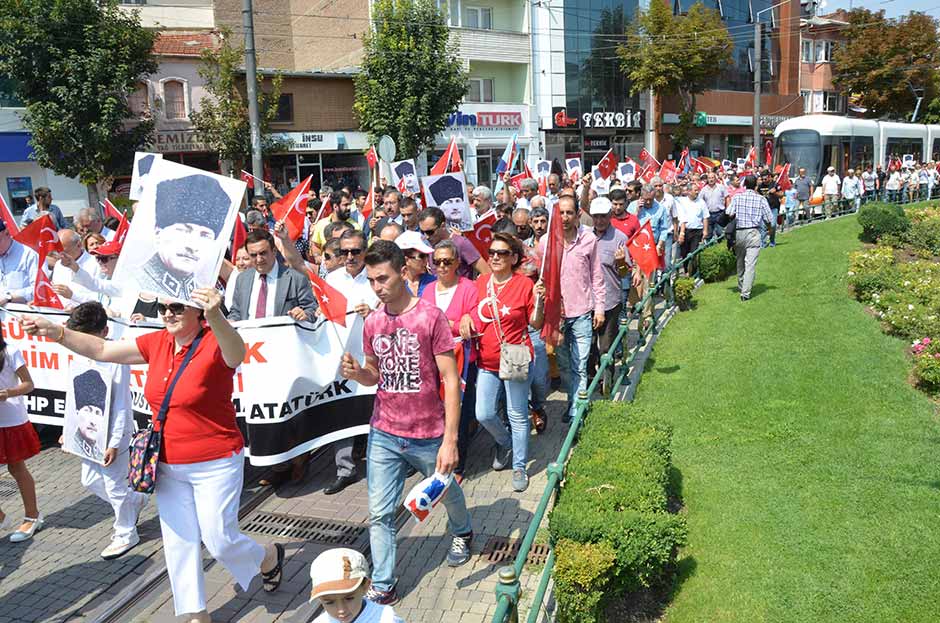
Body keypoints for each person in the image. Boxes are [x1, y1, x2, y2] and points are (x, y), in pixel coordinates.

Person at [23, 288, 286, 622]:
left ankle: (267, 556)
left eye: (176, 307)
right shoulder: (157, 341)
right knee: (179, 542)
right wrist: (56, 332)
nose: (167, 313)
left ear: (197, 311)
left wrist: (217, 314)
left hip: (216, 460)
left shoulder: (214, 340)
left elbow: (237, 352)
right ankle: (195, 613)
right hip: (166, 461)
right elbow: (103, 348)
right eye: (162, 307)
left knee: (219, 539)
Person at [340, 240, 474, 606]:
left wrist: (450, 440)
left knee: (444, 491)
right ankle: (384, 582)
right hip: (384, 431)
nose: (377, 287)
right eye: (371, 280)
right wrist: (358, 373)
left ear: (403, 272)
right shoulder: (373, 321)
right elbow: (373, 375)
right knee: (380, 513)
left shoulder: (430, 317)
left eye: (382, 278)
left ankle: (463, 530)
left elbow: (450, 379)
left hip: (428, 433)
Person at [62, 302, 148, 559]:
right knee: (89, 480)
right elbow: (73, 395)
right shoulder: (79, 355)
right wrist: (69, 429)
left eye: (87, 336)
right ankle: (134, 502)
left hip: (113, 433)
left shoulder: (116, 356)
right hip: (89, 432)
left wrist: (113, 441)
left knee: (114, 486)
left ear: (103, 332)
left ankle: (125, 533)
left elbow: (123, 403)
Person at [470, 233, 545, 492]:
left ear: (513, 258)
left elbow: (535, 323)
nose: (495, 257)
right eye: (492, 252)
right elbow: (469, 313)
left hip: (515, 354)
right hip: (487, 359)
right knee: (484, 413)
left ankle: (520, 466)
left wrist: (540, 302)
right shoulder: (480, 282)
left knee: (517, 414)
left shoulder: (524, 284)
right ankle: (506, 441)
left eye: (502, 253)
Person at [323, 230, 379, 496]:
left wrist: (374, 314)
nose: (349, 257)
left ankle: (382, 465)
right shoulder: (331, 279)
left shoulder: (377, 277)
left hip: (373, 358)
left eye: (355, 251)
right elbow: (319, 314)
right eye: (344, 252)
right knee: (342, 413)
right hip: (342, 358)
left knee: (376, 414)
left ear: (365, 251)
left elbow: (394, 311)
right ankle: (344, 470)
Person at [540, 195, 605, 423]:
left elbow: (597, 276)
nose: (565, 217)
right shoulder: (545, 243)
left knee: (579, 364)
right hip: (556, 317)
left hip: (581, 314)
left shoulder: (589, 240)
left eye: (569, 213)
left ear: (578, 215)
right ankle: (572, 400)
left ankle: (576, 412)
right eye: (561, 213)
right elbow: (538, 277)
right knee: (565, 365)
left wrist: (599, 309)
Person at [421, 240, 479, 483]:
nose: (442, 266)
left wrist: (452, 322)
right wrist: (454, 323)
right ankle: (435, 457)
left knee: (460, 411)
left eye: (448, 261)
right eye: (438, 261)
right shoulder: (428, 290)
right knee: (436, 411)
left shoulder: (469, 288)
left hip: (463, 360)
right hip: (434, 360)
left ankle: (458, 465)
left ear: (458, 263)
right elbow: (424, 323)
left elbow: (475, 324)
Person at [135, 175, 230, 301]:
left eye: (205, 235)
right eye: (184, 230)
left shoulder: (203, 291)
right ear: (158, 233)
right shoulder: (134, 281)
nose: (192, 246)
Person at [227, 229, 318, 322]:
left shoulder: (296, 279)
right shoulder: (242, 279)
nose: (259, 259)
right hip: (248, 335)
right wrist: (232, 320)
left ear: (274, 251)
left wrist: (304, 314)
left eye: (263, 253)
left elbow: (312, 311)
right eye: (253, 255)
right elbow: (236, 312)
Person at [0, 330, 39, 542]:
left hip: (11, 420)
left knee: (16, 468)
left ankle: (32, 516)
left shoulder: (10, 352)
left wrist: (7, 393)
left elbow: (28, 384)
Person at [586, 197, 627, 395]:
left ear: (610, 216)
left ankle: (607, 382)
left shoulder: (619, 237)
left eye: (603, 216)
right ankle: (591, 378)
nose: (599, 221)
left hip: (610, 301)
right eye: (596, 217)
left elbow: (624, 272)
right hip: (587, 301)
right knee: (588, 347)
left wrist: (620, 262)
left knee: (606, 346)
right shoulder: (585, 236)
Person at [309, 548, 404, 623]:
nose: (341, 610)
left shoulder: (386, 618)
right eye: (329, 602)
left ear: (366, 586)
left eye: (349, 598)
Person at [726, 175, 773, 302]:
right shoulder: (761, 199)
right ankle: (745, 293)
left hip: (740, 232)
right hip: (753, 232)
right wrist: (769, 229)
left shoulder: (737, 197)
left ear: (744, 185)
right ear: (756, 186)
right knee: (750, 264)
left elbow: (729, 212)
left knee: (740, 262)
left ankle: (742, 286)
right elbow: (769, 218)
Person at [418, 207, 490, 278]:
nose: (426, 237)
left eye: (430, 232)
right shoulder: (427, 246)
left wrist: (470, 288)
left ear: (442, 226)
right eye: (422, 232)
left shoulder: (460, 243)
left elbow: (486, 272)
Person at [0, 220, 39, 306]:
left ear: (7, 232)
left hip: (21, 314)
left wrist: (8, 297)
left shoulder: (29, 255)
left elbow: (39, 289)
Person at [675, 183, 709, 272]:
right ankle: (686, 271)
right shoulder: (681, 200)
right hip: (685, 231)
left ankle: (693, 272)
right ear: (689, 191)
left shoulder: (701, 202)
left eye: (698, 190)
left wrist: (705, 230)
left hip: (697, 231)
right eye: (695, 190)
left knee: (693, 252)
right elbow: (671, 196)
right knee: (684, 253)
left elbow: (705, 217)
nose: (697, 192)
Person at [395, 231, 436, 296]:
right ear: (407, 260)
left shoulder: (434, 282)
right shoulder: (394, 286)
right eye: (422, 256)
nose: (426, 260)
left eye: (427, 256)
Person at [699, 172, 727, 238]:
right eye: (709, 178)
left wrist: (727, 210)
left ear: (715, 178)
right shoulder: (703, 190)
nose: (711, 179)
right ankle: (709, 247)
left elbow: (727, 198)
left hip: (720, 213)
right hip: (708, 215)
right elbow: (700, 201)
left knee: (720, 233)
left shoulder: (721, 187)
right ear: (707, 179)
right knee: (708, 234)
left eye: (712, 177)